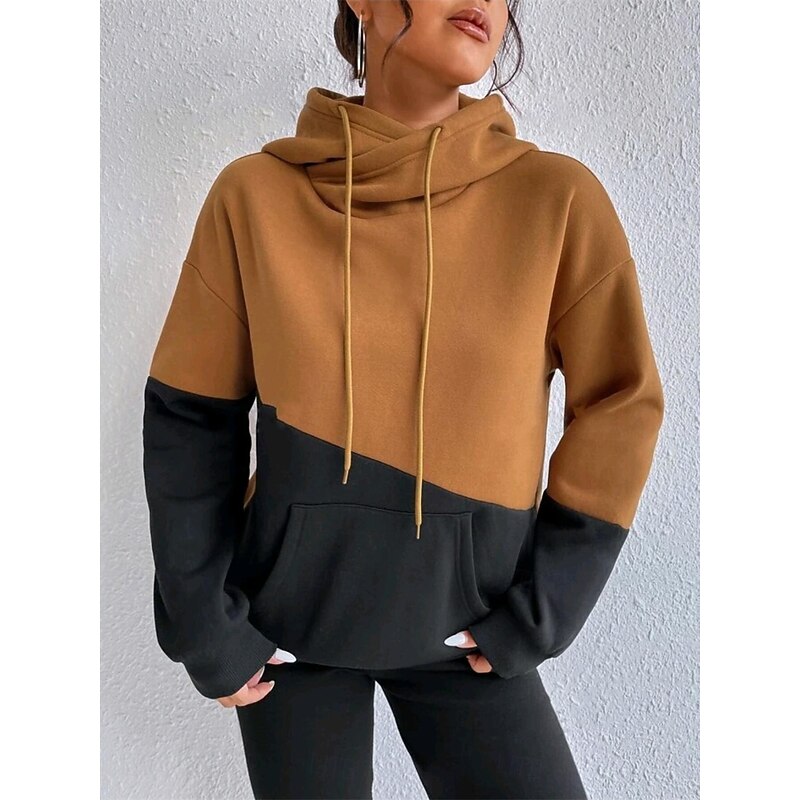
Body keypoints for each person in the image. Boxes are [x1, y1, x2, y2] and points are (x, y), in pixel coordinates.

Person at [141, 1, 665, 798]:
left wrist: (544, 607)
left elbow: (621, 402)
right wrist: (206, 625)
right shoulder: (253, 196)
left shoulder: (555, 200)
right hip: (287, 640)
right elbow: (189, 416)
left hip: (468, 632)